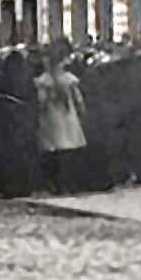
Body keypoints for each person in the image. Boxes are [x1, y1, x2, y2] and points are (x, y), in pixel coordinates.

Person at [35, 39, 92, 194]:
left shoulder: (43, 82)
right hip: (68, 117)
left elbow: (41, 102)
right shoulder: (69, 80)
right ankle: (69, 183)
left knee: (52, 152)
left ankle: (55, 184)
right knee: (69, 151)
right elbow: (79, 101)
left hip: (51, 118)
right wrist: (82, 113)